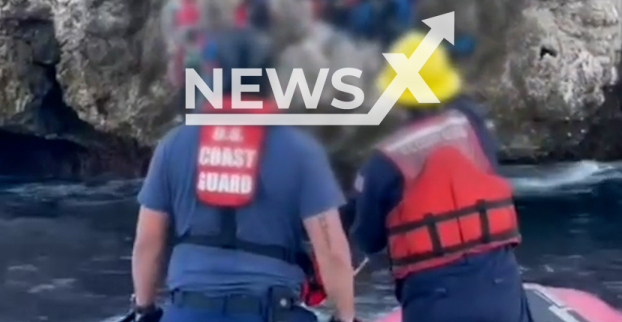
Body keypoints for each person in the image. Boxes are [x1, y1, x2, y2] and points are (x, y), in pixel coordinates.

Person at [131, 27, 357, 322]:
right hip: (271, 311)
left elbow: (148, 242)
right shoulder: (301, 151)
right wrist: (346, 316)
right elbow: (331, 251)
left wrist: (145, 309)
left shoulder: (174, 145)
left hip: (187, 311)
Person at [349, 31, 533, 322]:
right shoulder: (475, 129)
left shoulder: (384, 161)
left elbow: (368, 238)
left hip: (435, 301)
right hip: (500, 287)